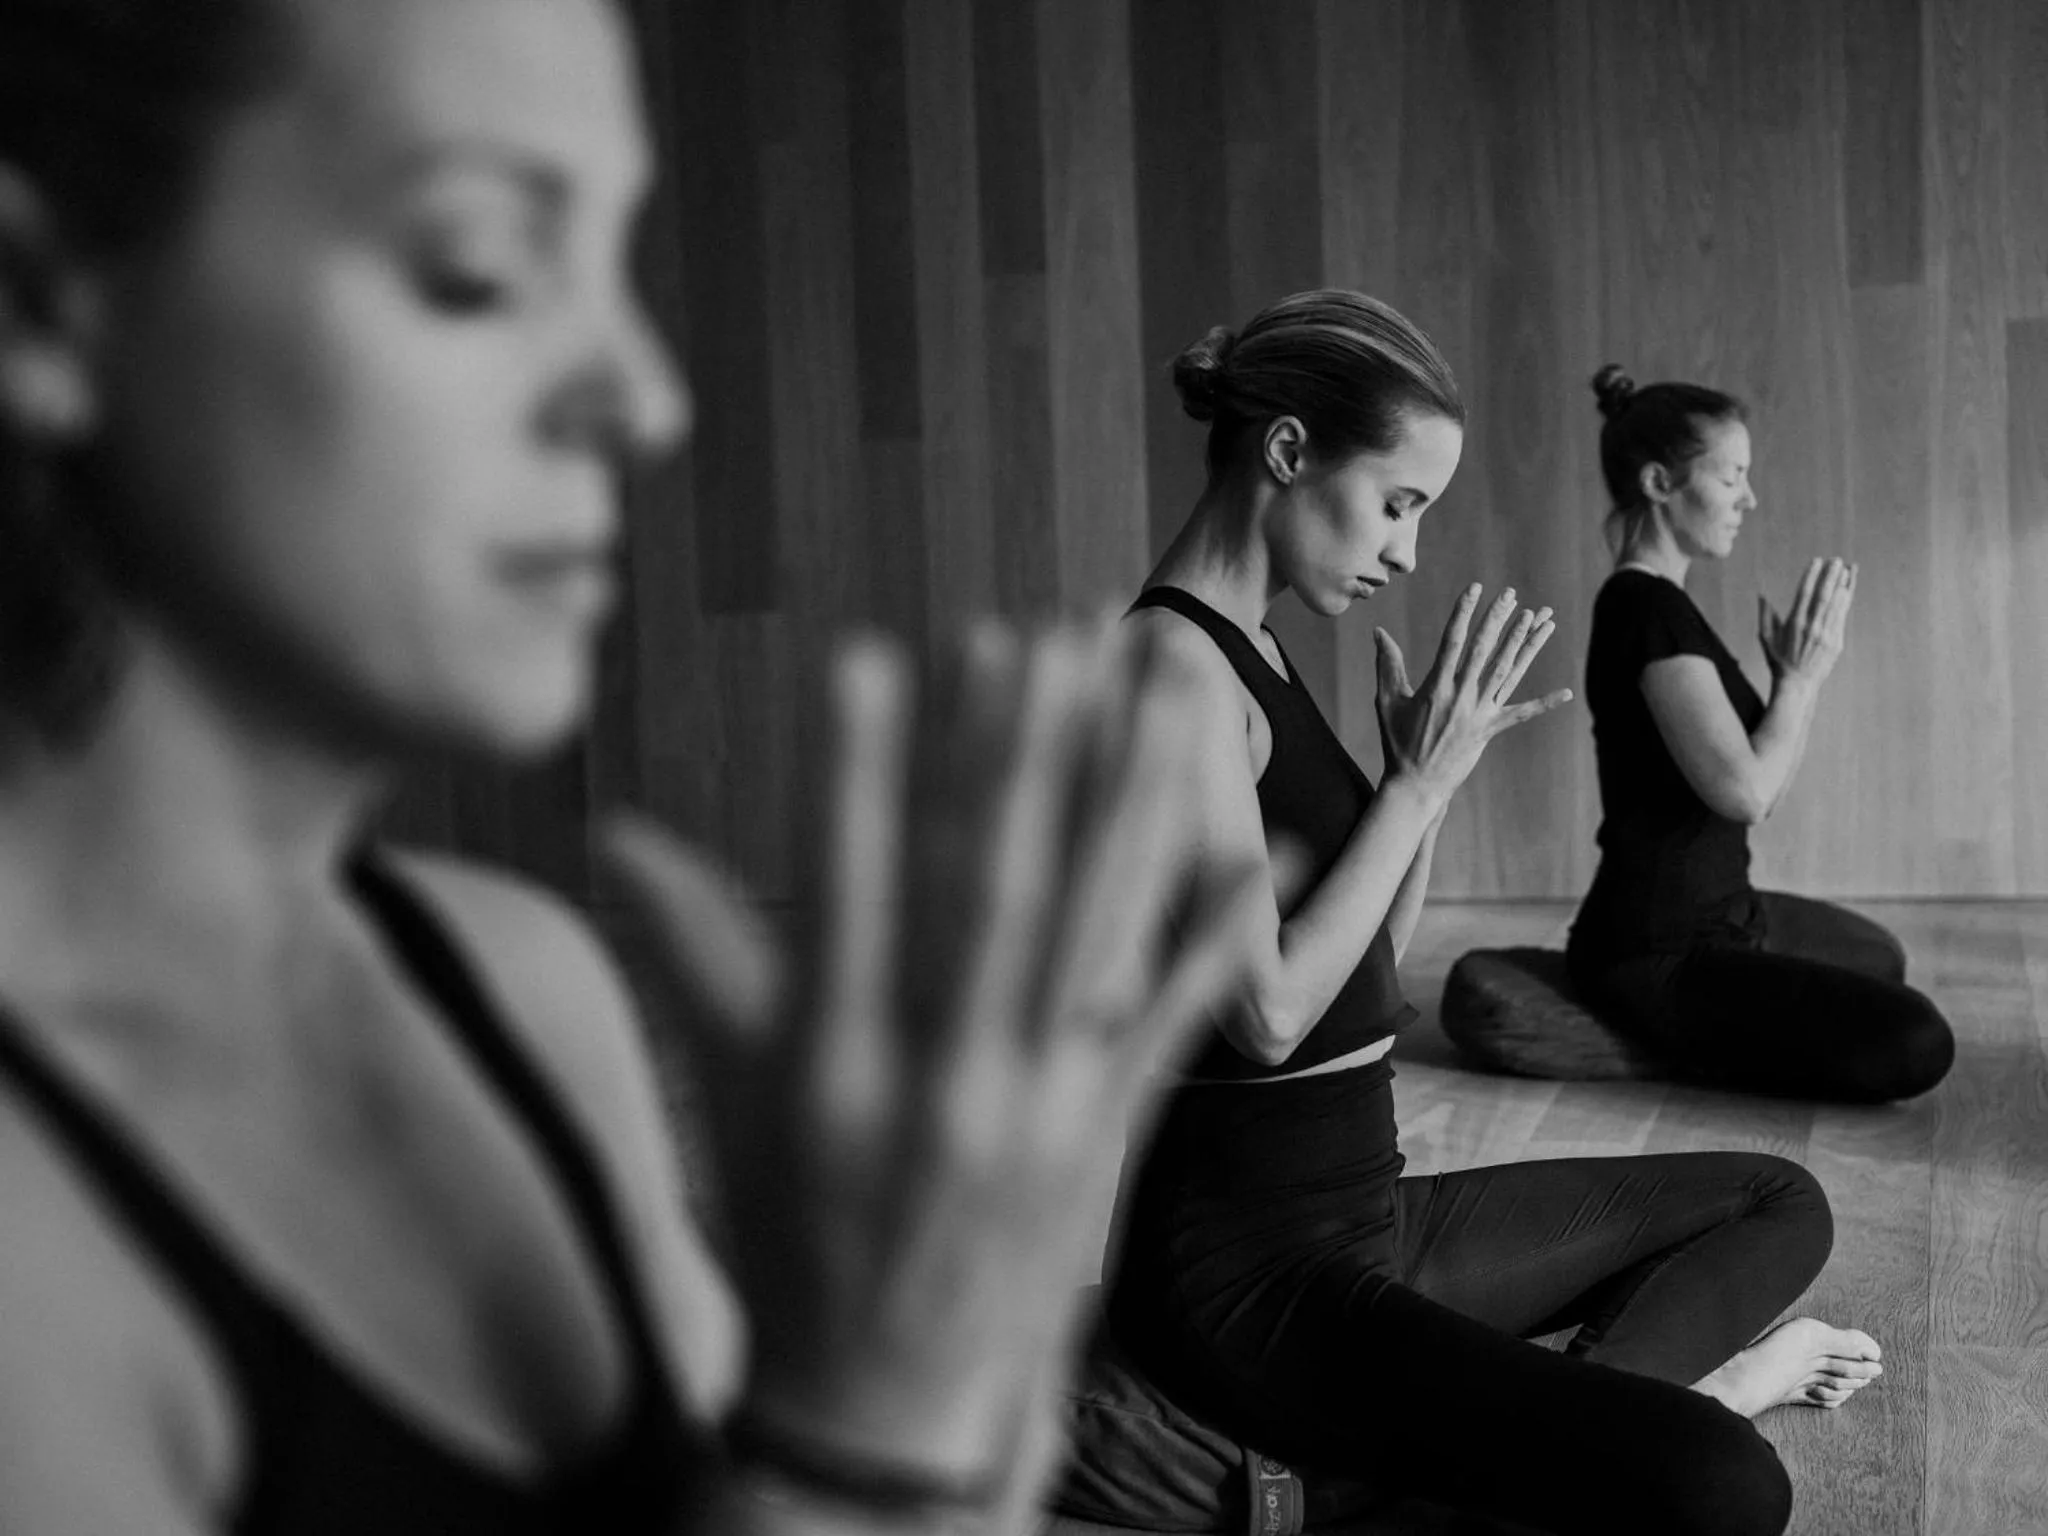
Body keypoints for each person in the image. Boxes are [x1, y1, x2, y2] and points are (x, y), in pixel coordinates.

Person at [0, 2, 1264, 1532]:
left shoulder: (524, 984)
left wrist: (943, 1339)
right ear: (40, 307)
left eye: (615, 258)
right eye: (478, 269)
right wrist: (877, 1414)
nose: (645, 396)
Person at [1097, 292, 1884, 1536]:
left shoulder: (1253, 646)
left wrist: (1430, 788)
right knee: (1719, 1486)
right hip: (1253, 1277)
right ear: (1288, 452)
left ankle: (1556, 1430)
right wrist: (1405, 790)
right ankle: (1676, 1407)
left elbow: (1361, 978)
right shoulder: (1169, 668)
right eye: (1399, 503)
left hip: (1366, 1211)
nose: (1407, 552)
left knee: (1774, 1199)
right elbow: (1263, 1014)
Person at [1563, 365, 1955, 1103]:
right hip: (1659, 947)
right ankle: (1656, 1038)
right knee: (1916, 1042)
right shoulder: (1644, 609)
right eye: (1732, 476)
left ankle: (1717, 1029)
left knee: (1878, 956)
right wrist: (1803, 683)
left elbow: (1758, 792)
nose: (1749, 498)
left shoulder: (1662, 606)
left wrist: (1787, 684)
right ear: (1658, 483)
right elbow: (1744, 792)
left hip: (1728, 911)